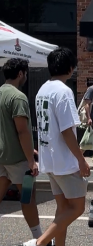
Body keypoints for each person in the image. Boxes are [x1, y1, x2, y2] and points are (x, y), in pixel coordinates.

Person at [21, 47, 90, 246]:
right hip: (64, 160)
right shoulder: (64, 91)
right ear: (70, 68)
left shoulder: (42, 89)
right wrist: (81, 160)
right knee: (77, 207)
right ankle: (39, 243)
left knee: (63, 208)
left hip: (49, 159)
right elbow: (67, 130)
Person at [0, 58, 46, 244]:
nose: (26, 77)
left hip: (1, 156)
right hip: (19, 159)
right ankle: (38, 238)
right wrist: (31, 160)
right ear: (20, 74)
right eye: (25, 73)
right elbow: (22, 130)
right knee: (28, 198)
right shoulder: (18, 97)